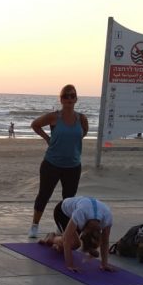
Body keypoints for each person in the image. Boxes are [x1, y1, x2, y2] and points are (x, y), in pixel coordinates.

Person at [27, 84, 88, 238]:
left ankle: (62, 227)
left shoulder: (81, 118)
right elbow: (35, 125)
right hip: (51, 164)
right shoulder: (54, 117)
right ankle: (34, 225)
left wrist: (72, 141)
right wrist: (47, 138)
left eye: (72, 96)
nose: (69, 99)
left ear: (76, 99)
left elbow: (84, 132)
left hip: (73, 166)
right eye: (66, 96)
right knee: (44, 195)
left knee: (68, 200)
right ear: (61, 99)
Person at [39, 196, 114, 272]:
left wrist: (104, 264)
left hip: (82, 211)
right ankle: (52, 238)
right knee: (74, 244)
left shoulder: (107, 218)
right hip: (62, 212)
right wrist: (70, 265)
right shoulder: (80, 214)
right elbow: (66, 240)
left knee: (63, 248)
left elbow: (105, 241)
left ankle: (58, 243)